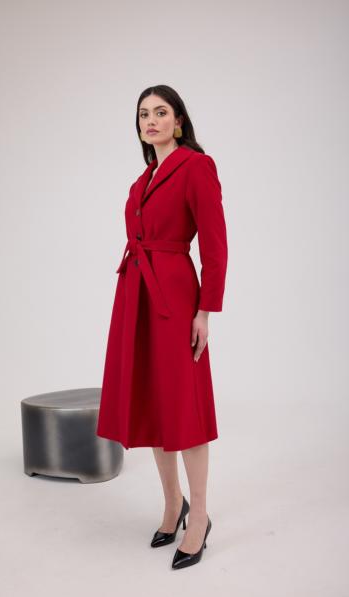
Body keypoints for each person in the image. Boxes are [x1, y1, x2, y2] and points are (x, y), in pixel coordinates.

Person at [96, 85, 228, 570]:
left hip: (174, 296)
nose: (150, 121)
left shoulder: (196, 166)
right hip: (136, 295)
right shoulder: (142, 180)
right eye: (143, 114)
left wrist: (205, 311)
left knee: (184, 405)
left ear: (178, 121)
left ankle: (200, 516)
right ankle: (173, 503)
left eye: (160, 112)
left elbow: (215, 245)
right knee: (153, 401)